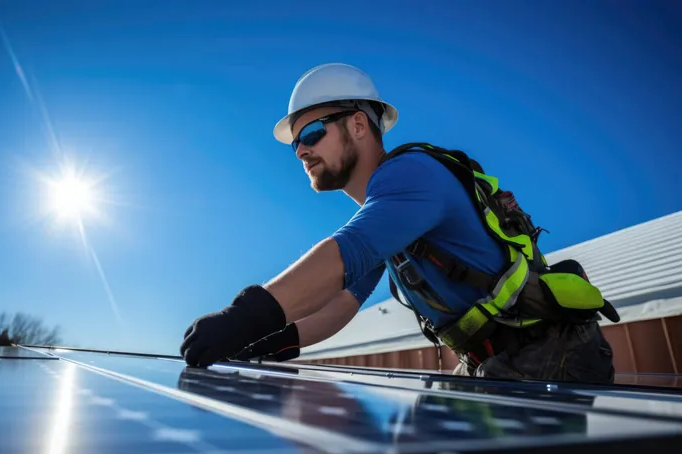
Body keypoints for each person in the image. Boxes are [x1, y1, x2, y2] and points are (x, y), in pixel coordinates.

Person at [180, 63, 619, 384]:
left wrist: (243, 317)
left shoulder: (410, 174)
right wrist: (271, 342)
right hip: (495, 360)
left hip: (548, 354)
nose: (301, 151)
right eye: (295, 144)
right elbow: (341, 304)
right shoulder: (388, 216)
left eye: (312, 133)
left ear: (358, 125)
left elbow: (344, 254)